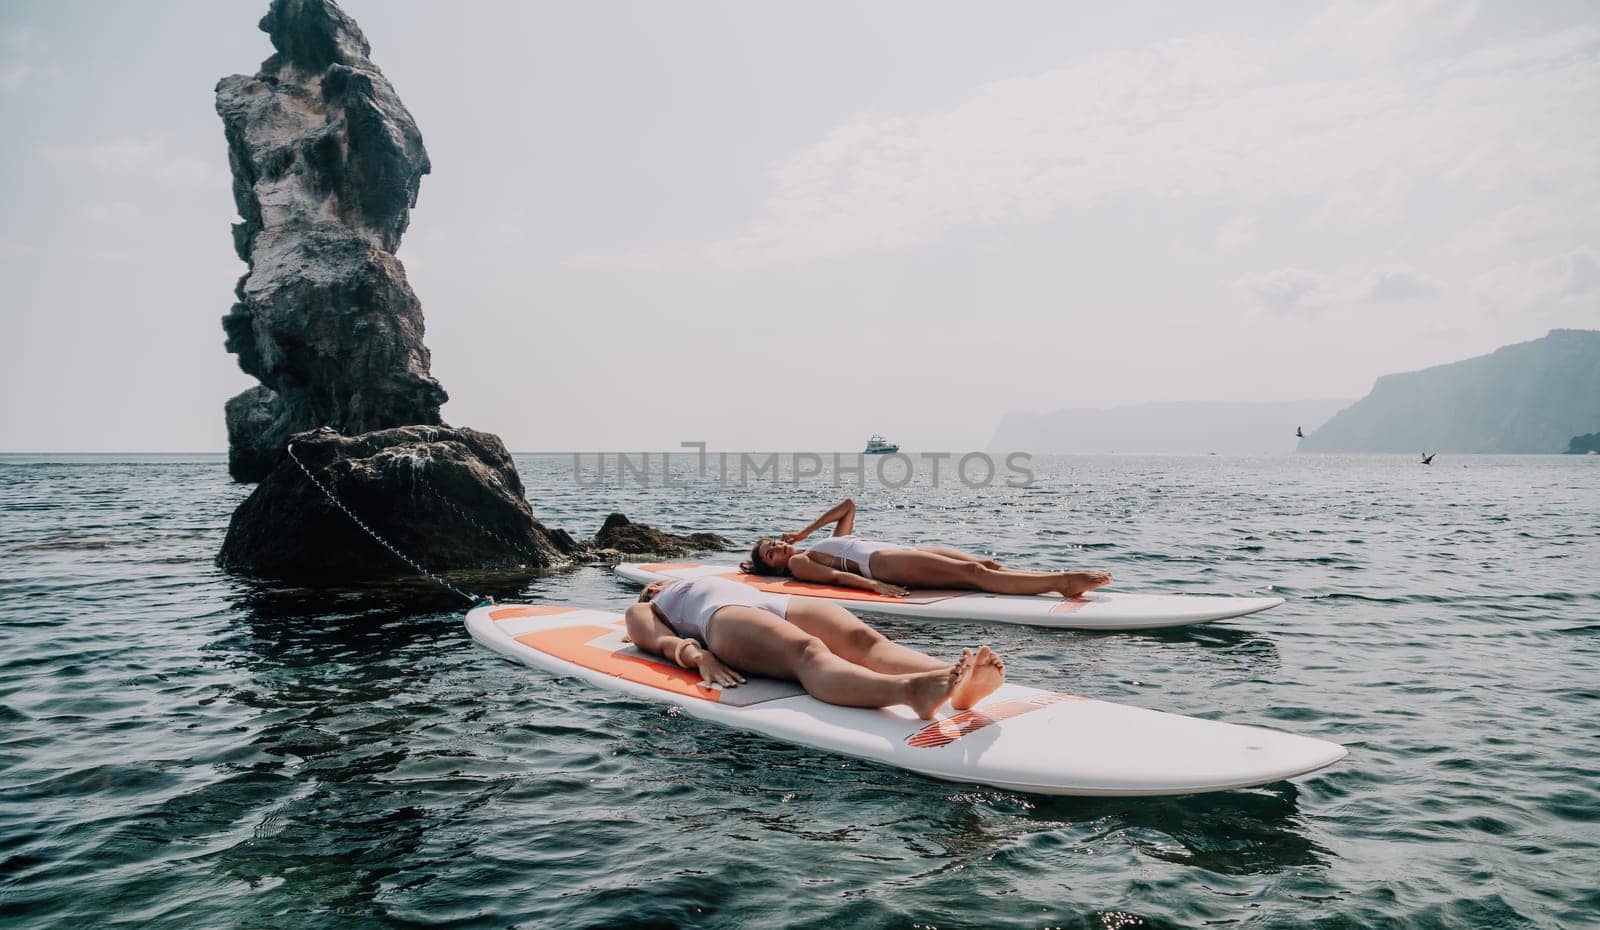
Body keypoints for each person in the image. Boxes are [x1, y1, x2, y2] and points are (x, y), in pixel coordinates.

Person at [625, 575, 1006, 720]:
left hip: (771, 603)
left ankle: (959, 681)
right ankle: (909, 692)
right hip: (722, 617)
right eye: (656, 584)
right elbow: (661, 642)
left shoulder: (688, 580)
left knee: (867, 642)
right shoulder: (644, 606)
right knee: (808, 651)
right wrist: (700, 656)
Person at [743, 498, 1112, 598]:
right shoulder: (801, 564)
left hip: (893, 550)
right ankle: (1062, 582)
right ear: (775, 567)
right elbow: (837, 576)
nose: (778, 546)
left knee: (985, 567)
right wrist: (876, 587)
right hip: (882, 564)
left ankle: (1050, 580)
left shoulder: (809, 545)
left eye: (773, 542)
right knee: (975, 575)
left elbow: (848, 505)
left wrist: (804, 532)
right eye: (771, 552)